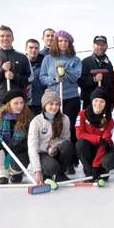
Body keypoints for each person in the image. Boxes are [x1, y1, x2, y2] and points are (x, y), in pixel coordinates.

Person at [39, 30, 82, 174]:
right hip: (53, 99)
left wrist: (65, 69)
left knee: (68, 129)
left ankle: (70, 161)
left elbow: (76, 77)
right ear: (56, 42)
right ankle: (52, 156)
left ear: (69, 44)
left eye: (66, 41)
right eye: (61, 40)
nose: (63, 43)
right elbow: (42, 77)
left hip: (70, 98)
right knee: (53, 129)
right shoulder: (48, 59)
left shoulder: (75, 60)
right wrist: (54, 79)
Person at [0, 90, 34, 184]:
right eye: (16, 103)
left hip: (21, 151)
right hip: (4, 150)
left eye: (21, 102)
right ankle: (3, 175)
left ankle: (17, 173)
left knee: (18, 164)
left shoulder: (29, 118)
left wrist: (13, 151)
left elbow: (30, 141)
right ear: (9, 104)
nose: (19, 106)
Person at [28, 89, 74, 184]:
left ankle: (60, 174)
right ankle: (47, 173)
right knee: (52, 167)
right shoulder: (36, 122)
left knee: (68, 145)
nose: (54, 107)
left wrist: (55, 147)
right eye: (51, 104)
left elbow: (65, 140)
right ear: (44, 105)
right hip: (42, 152)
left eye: (57, 104)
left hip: (56, 150)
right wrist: (37, 171)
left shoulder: (65, 119)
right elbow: (32, 147)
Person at [0, 25, 33, 111]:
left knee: (19, 124)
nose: (5, 38)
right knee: (2, 124)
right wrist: (1, 70)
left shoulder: (22, 57)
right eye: (2, 36)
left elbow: (31, 79)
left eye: (8, 36)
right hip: (0, 101)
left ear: (13, 38)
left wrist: (14, 77)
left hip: (19, 100)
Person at [75, 88, 114, 183]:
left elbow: (104, 143)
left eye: (102, 101)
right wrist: (98, 139)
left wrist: (96, 166)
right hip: (89, 149)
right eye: (96, 100)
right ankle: (89, 171)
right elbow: (79, 134)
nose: (98, 104)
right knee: (80, 144)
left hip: (103, 150)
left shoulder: (109, 120)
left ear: (105, 103)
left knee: (109, 161)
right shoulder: (82, 114)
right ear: (91, 101)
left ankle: (102, 170)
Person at [78, 35, 114, 110]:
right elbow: (80, 81)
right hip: (89, 104)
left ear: (106, 46)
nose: (100, 47)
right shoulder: (85, 62)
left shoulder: (109, 64)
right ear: (93, 45)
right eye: (98, 44)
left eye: (102, 45)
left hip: (105, 104)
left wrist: (112, 101)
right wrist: (94, 79)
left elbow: (111, 84)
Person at [25, 39, 46, 115]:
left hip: (40, 103)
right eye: (31, 47)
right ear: (26, 49)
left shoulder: (45, 64)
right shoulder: (21, 62)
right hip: (24, 103)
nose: (33, 50)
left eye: (36, 48)